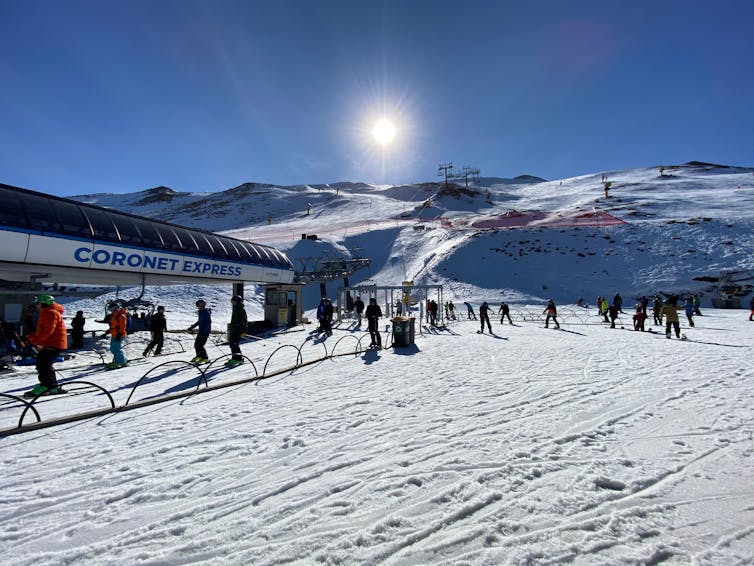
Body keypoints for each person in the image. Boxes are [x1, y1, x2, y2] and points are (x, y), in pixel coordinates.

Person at [22, 294, 68, 396]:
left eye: (38, 303)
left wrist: (34, 341)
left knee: (43, 363)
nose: (36, 305)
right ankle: (49, 385)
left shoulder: (51, 313)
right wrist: (32, 337)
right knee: (43, 363)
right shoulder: (47, 312)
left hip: (54, 342)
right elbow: (43, 331)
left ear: (43, 303)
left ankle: (48, 386)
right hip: (52, 342)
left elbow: (48, 331)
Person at [226, 295, 247, 367]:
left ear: (237, 302)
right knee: (232, 345)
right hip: (233, 330)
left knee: (235, 345)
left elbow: (244, 321)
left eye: (233, 302)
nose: (232, 304)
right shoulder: (236, 309)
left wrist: (243, 331)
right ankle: (234, 358)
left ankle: (239, 358)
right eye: (232, 302)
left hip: (238, 330)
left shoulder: (241, 310)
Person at [188, 299, 211, 363]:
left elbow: (208, 322)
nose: (197, 307)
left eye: (198, 305)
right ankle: (199, 356)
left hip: (204, 332)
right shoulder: (201, 312)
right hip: (201, 331)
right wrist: (192, 327)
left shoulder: (206, 313)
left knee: (200, 345)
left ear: (202, 305)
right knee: (196, 344)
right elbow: (199, 321)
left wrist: (205, 331)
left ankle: (205, 358)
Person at [106, 302, 128, 369]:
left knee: (116, 349)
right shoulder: (115, 315)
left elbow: (122, 326)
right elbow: (114, 325)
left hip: (118, 334)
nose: (110, 311)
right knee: (113, 348)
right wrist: (109, 331)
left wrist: (120, 334)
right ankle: (121, 360)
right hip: (114, 334)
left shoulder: (121, 316)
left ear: (114, 308)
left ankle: (120, 362)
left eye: (111, 309)